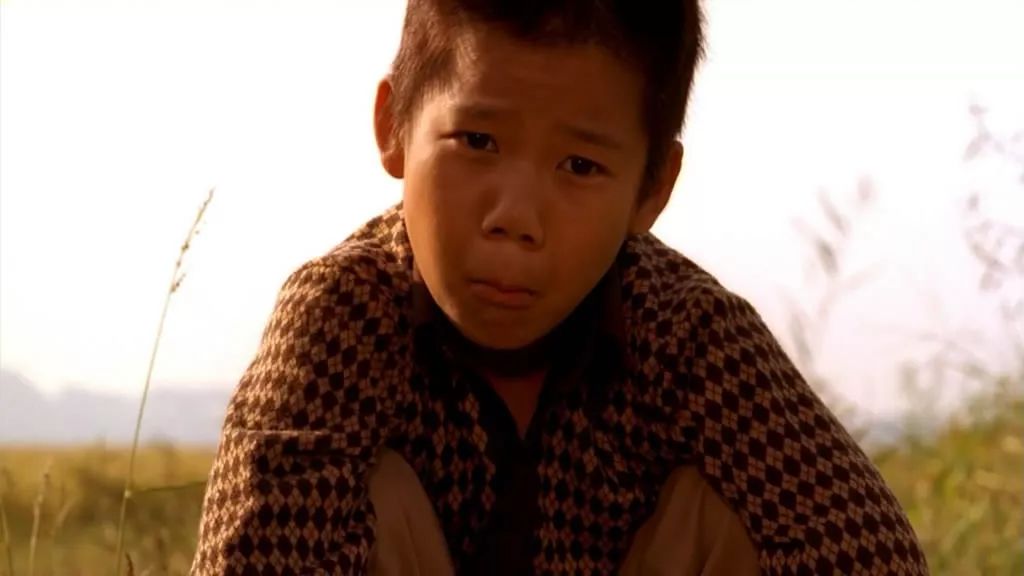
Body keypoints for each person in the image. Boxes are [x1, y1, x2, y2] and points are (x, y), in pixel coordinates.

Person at [191, 1, 929, 574]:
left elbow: (872, 554)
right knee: (373, 498)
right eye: (478, 141)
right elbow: (253, 558)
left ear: (652, 189)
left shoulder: (686, 331)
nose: (516, 218)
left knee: (723, 516)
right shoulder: (344, 316)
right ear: (394, 128)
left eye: (580, 166)